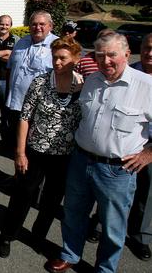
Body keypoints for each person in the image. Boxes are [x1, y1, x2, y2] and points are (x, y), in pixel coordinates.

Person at [45, 33, 152, 273]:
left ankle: (105, 268)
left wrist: (148, 154)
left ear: (126, 54)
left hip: (117, 170)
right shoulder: (92, 80)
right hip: (81, 161)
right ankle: (70, 254)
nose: (106, 62)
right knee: (73, 213)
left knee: (113, 227)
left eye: (112, 55)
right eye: (100, 56)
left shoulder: (146, 86)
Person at [0, 37, 83, 258]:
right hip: (35, 151)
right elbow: (25, 118)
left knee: (52, 200)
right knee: (23, 194)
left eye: (63, 58)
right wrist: (20, 152)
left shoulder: (83, 87)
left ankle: (38, 235)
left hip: (64, 156)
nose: (57, 62)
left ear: (76, 59)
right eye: (54, 57)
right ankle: (7, 235)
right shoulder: (41, 82)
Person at [6, 11, 58, 152]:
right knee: (16, 144)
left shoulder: (56, 46)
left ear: (50, 26)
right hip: (15, 103)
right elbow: (10, 68)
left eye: (42, 24)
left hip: (38, 107)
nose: (38, 27)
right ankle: (18, 173)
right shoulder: (21, 42)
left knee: (32, 146)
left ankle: (28, 173)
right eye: (34, 24)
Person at [126, 33, 152, 261]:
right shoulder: (128, 72)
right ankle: (101, 224)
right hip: (125, 142)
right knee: (115, 190)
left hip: (150, 147)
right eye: (147, 47)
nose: (150, 53)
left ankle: (140, 235)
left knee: (147, 192)